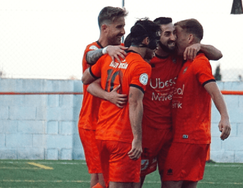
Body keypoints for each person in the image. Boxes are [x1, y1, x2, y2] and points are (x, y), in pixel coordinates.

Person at [139, 17, 223, 188]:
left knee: (172, 181)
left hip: (173, 136)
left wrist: (200, 46)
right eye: (168, 34)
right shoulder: (145, 60)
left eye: (174, 34)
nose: (173, 38)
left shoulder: (184, 57)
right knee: (134, 181)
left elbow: (218, 54)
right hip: (147, 133)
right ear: (156, 36)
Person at [82, 18, 160, 188]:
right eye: (156, 41)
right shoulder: (141, 65)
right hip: (122, 137)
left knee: (104, 185)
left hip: (102, 135)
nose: (157, 47)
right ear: (146, 41)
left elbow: (86, 80)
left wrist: (106, 95)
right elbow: (134, 102)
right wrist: (138, 139)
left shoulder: (111, 56)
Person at [161, 18, 231, 188]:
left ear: (190, 38)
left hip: (187, 138)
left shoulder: (199, 62)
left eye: (176, 34)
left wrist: (224, 117)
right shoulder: (185, 60)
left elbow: (214, 90)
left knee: (170, 184)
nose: (174, 39)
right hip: (192, 138)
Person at [78, 6, 128, 188]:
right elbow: (89, 79)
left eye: (124, 26)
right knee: (102, 178)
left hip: (108, 124)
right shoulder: (93, 49)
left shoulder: (121, 49)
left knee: (102, 177)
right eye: (119, 27)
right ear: (105, 28)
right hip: (91, 124)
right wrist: (106, 50)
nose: (123, 31)